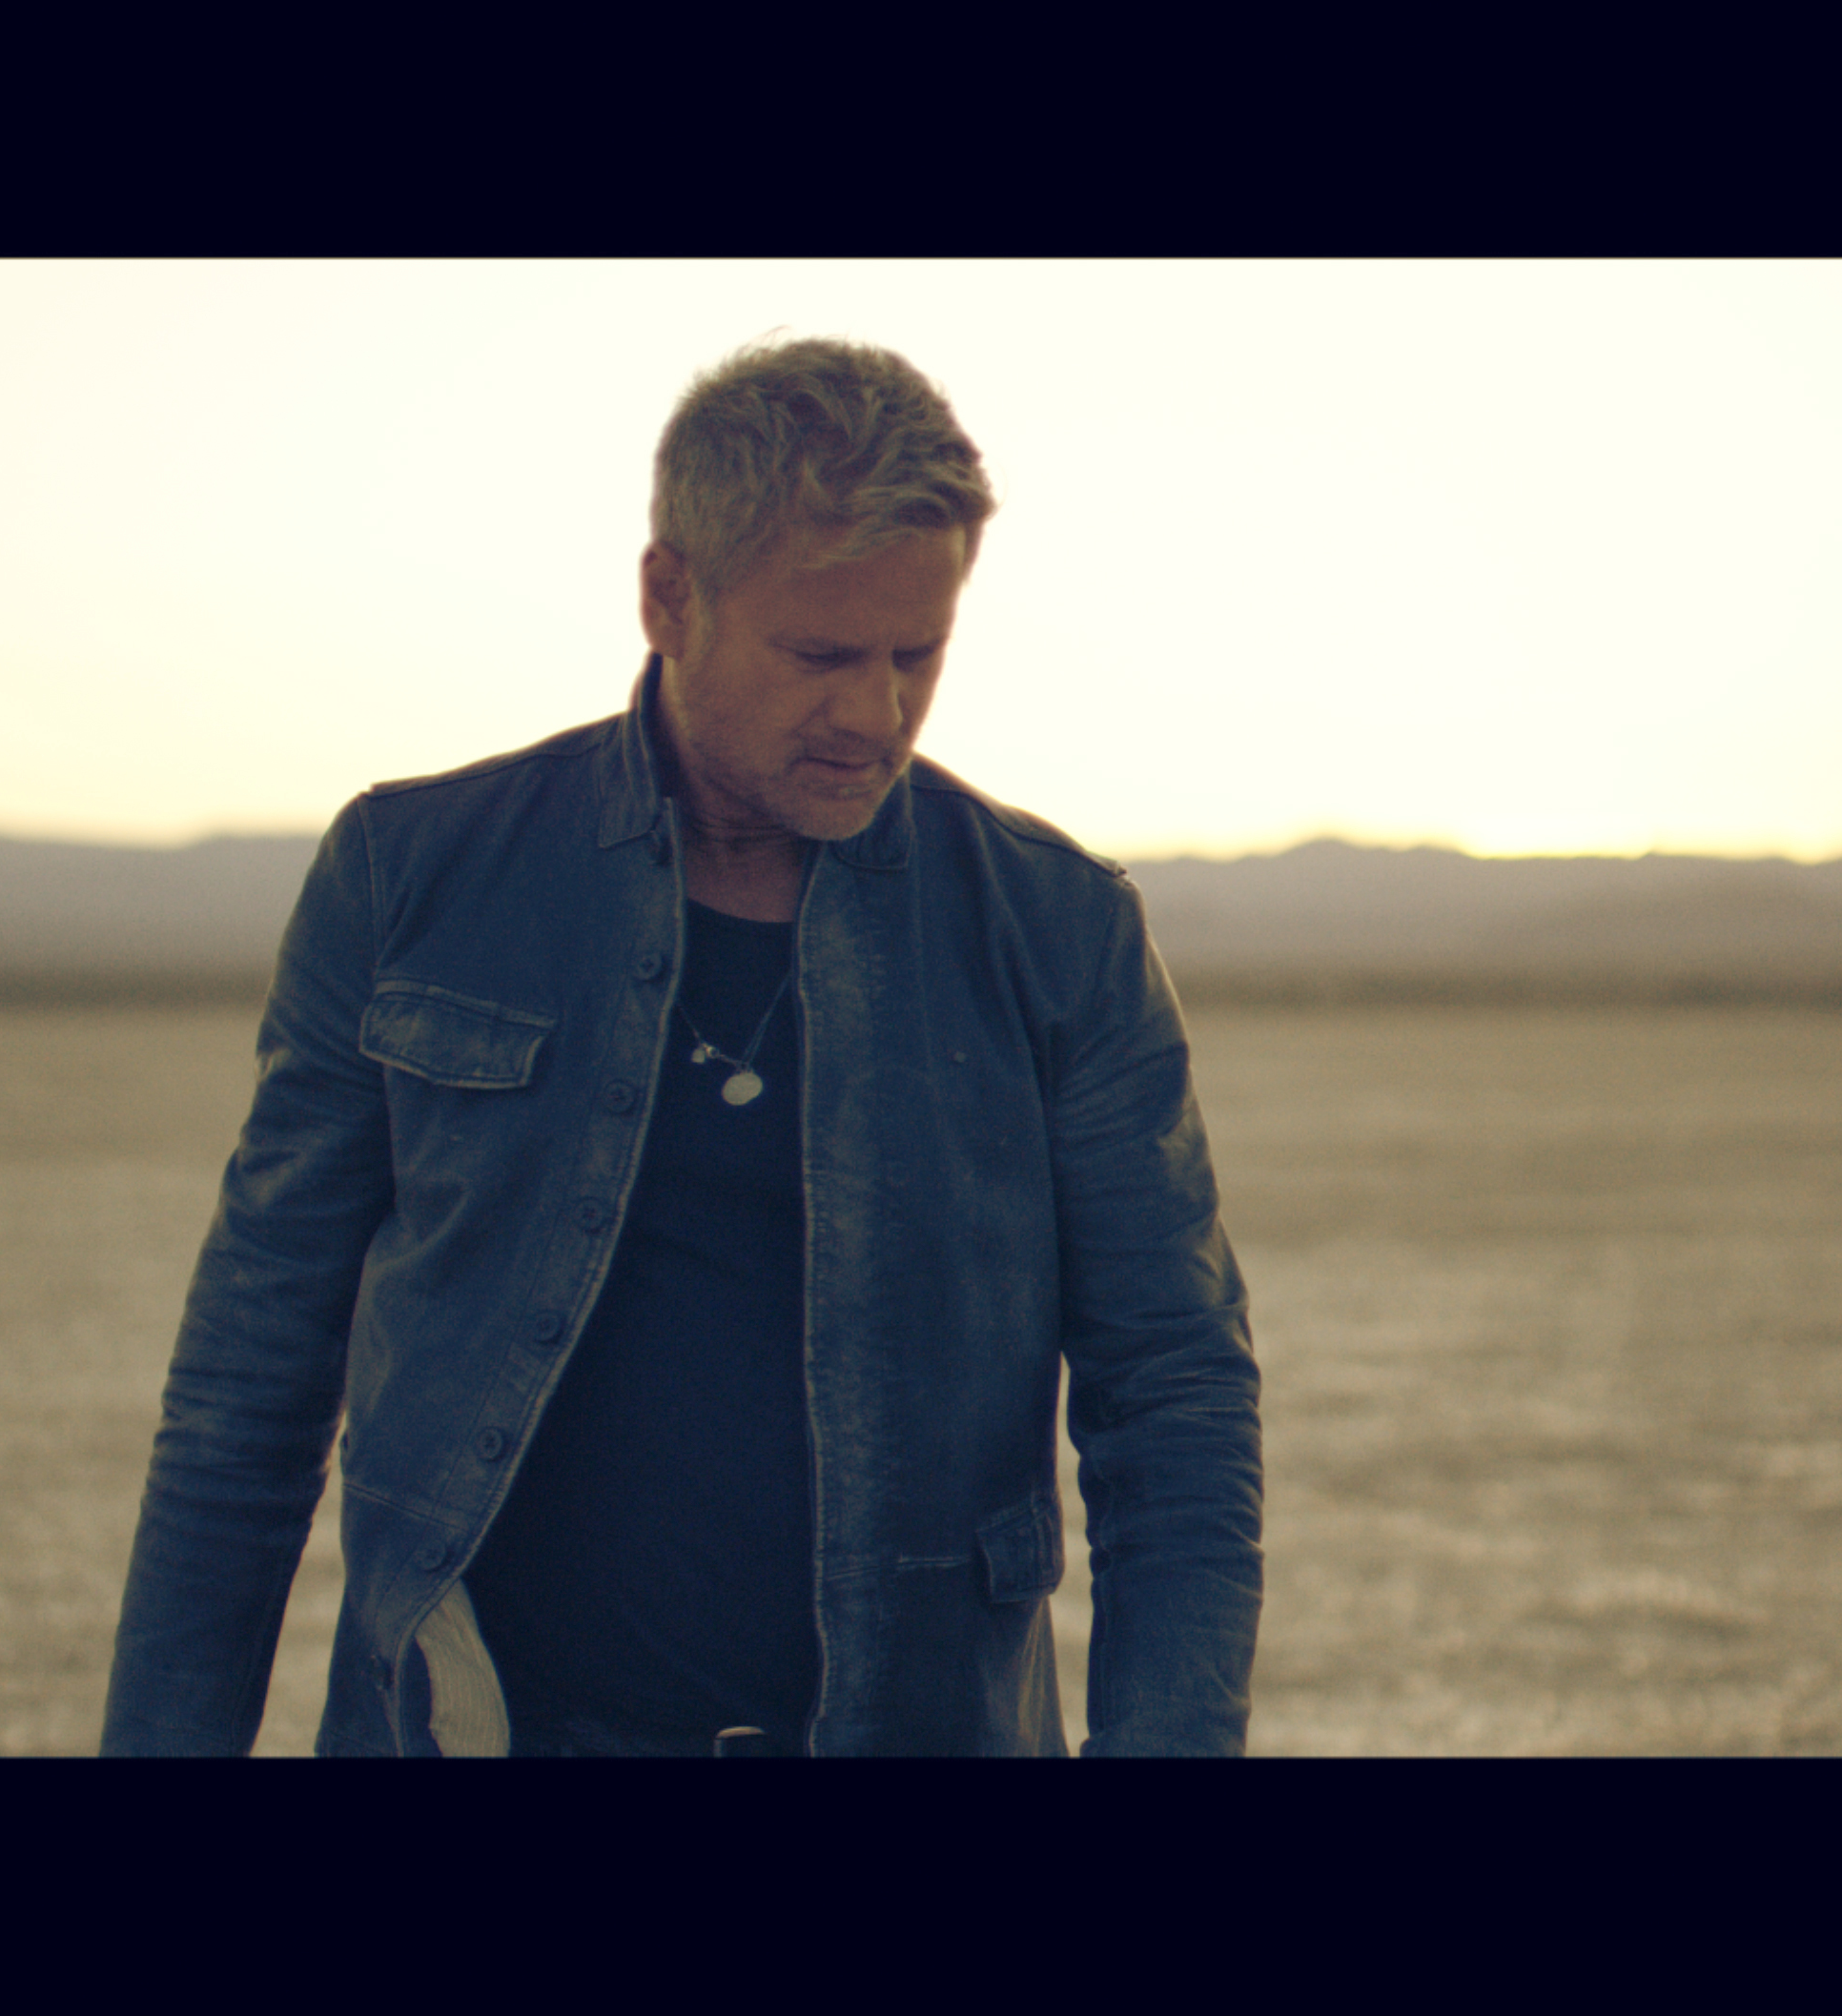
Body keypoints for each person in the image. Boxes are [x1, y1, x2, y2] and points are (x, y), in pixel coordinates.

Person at [98, 336, 1262, 1757]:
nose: (876, 714)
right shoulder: (413, 878)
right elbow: (248, 1388)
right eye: (820, 654)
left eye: (918, 655)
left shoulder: (1058, 927)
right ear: (668, 596)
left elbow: (1175, 1402)